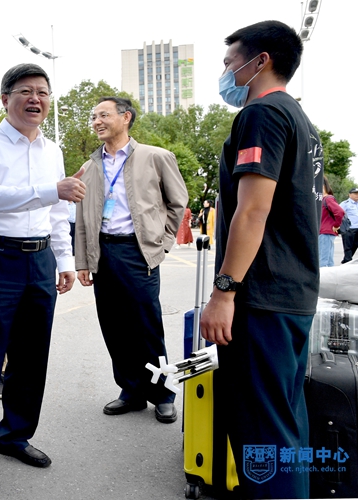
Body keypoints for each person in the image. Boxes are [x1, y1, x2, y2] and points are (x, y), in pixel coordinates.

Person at [200, 21, 323, 499]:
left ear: (260, 61)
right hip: (291, 294)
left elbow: (253, 210)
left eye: (230, 62)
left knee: (262, 433)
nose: (226, 73)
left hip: (262, 297)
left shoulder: (262, 114)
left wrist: (224, 292)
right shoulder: (299, 119)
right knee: (286, 424)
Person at [0, 63, 86, 491]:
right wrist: (52, 190)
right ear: (5, 98)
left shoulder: (52, 149)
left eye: (42, 92)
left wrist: (64, 260)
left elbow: (58, 213)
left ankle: (14, 436)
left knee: (30, 357)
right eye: (25, 91)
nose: (35, 99)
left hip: (40, 260)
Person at [74, 96, 187, 424]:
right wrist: (83, 261)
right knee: (114, 326)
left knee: (146, 327)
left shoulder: (155, 157)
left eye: (104, 115)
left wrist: (162, 244)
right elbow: (82, 217)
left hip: (137, 252)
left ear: (125, 118)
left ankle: (163, 394)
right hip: (102, 252)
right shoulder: (90, 167)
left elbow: (177, 203)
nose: (97, 121)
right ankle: (131, 390)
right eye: (94, 116)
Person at [320, 176, 344, 267]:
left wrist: (336, 225)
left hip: (325, 232)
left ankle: (323, 276)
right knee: (328, 260)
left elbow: (340, 212)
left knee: (323, 260)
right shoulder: (324, 199)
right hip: (326, 232)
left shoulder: (328, 199)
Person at [339, 187, 358, 263]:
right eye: (355, 193)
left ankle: (346, 260)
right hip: (349, 229)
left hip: (357, 228)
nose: (357, 195)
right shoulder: (345, 204)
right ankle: (347, 261)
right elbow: (338, 214)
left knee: (355, 246)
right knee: (348, 247)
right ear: (350, 195)